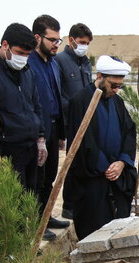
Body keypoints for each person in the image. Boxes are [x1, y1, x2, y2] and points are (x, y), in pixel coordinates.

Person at [67, 55, 137, 241]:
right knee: (93, 229)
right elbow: (81, 143)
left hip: (116, 175)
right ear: (99, 76)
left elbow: (129, 132)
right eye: (113, 85)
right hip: (92, 177)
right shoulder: (80, 101)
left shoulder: (117, 102)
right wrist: (105, 167)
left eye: (119, 86)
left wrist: (122, 161)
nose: (116, 89)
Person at [0, 23, 44, 192]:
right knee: (13, 202)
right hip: (7, 149)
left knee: (31, 198)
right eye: (20, 53)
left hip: (30, 146)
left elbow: (36, 105)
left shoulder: (27, 71)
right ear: (5, 45)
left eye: (27, 55)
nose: (23, 58)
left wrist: (40, 138)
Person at [28, 14, 69, 241]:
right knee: (37, 177)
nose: (56, 44)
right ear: (37, 37)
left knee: (50, 175)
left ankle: (46, 215)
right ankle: (36, 224)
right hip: (37, 132)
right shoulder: (29, 64)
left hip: (53, 128)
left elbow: (57, 98)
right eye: (52, 40)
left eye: (58, 40)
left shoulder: (53, 64)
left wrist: (61, 133)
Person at [56, 22, 93, 220]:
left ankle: (82, 201)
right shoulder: (60, 60)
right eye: (81, 42)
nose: (84, 46)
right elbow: (59, 93)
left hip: (87, 119)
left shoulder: (85, 62)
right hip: (71, 120)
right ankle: (68, 205)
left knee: (85, 161)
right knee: (72, 163)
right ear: (71, 40)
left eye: (87, 43)